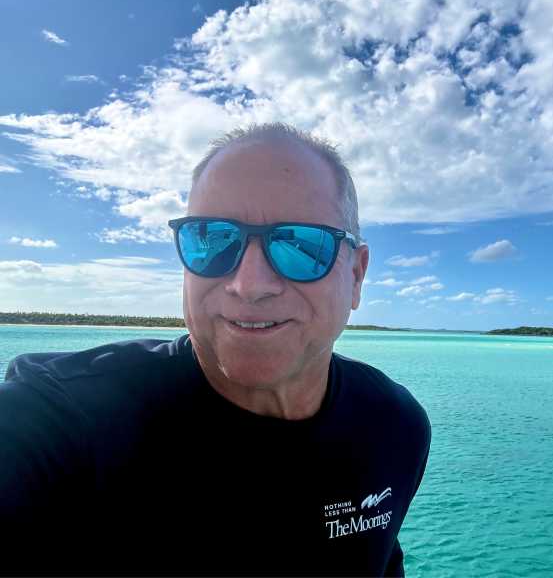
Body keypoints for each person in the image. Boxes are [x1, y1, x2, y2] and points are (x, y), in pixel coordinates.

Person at [0, 123, 432, 577]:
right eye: (213, 239)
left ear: (357, 277)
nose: (249, 285)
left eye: (302, 245)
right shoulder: (69, 423)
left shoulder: (394, 426)